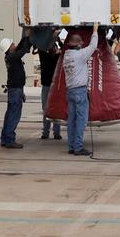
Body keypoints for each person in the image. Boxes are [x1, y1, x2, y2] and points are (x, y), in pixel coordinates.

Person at [62, 22, 98, 156]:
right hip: (79, 91)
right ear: (78, 45)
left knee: (71, 120)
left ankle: (71, 146)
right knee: (81, 120)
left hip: (70, 91)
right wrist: (95, 30)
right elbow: (93, 46)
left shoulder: (67, 56)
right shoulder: (80, 55)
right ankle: (78, 147)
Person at [0, 31, 31, 148]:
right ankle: (9, 140)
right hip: (15, 90)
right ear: (9, 48)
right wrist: (28, 38)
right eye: (12, 44)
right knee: (14, 115)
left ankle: (5, 138)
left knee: (9, 114)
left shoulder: (10, 56)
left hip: (16, 89)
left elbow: (20, 48)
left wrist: (25, 38)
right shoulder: (12, 57)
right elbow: (23, 50)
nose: (14, 44)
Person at [38, 40, 62, 140]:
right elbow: (65, 48)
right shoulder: (57, 58)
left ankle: (45, 132)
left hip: (46, 86)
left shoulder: (44, 57)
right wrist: (59, 40)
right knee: (56, 109)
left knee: (46, 110)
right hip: (55, 86)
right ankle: (56, 133)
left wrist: (49, 38)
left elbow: (40, 48)